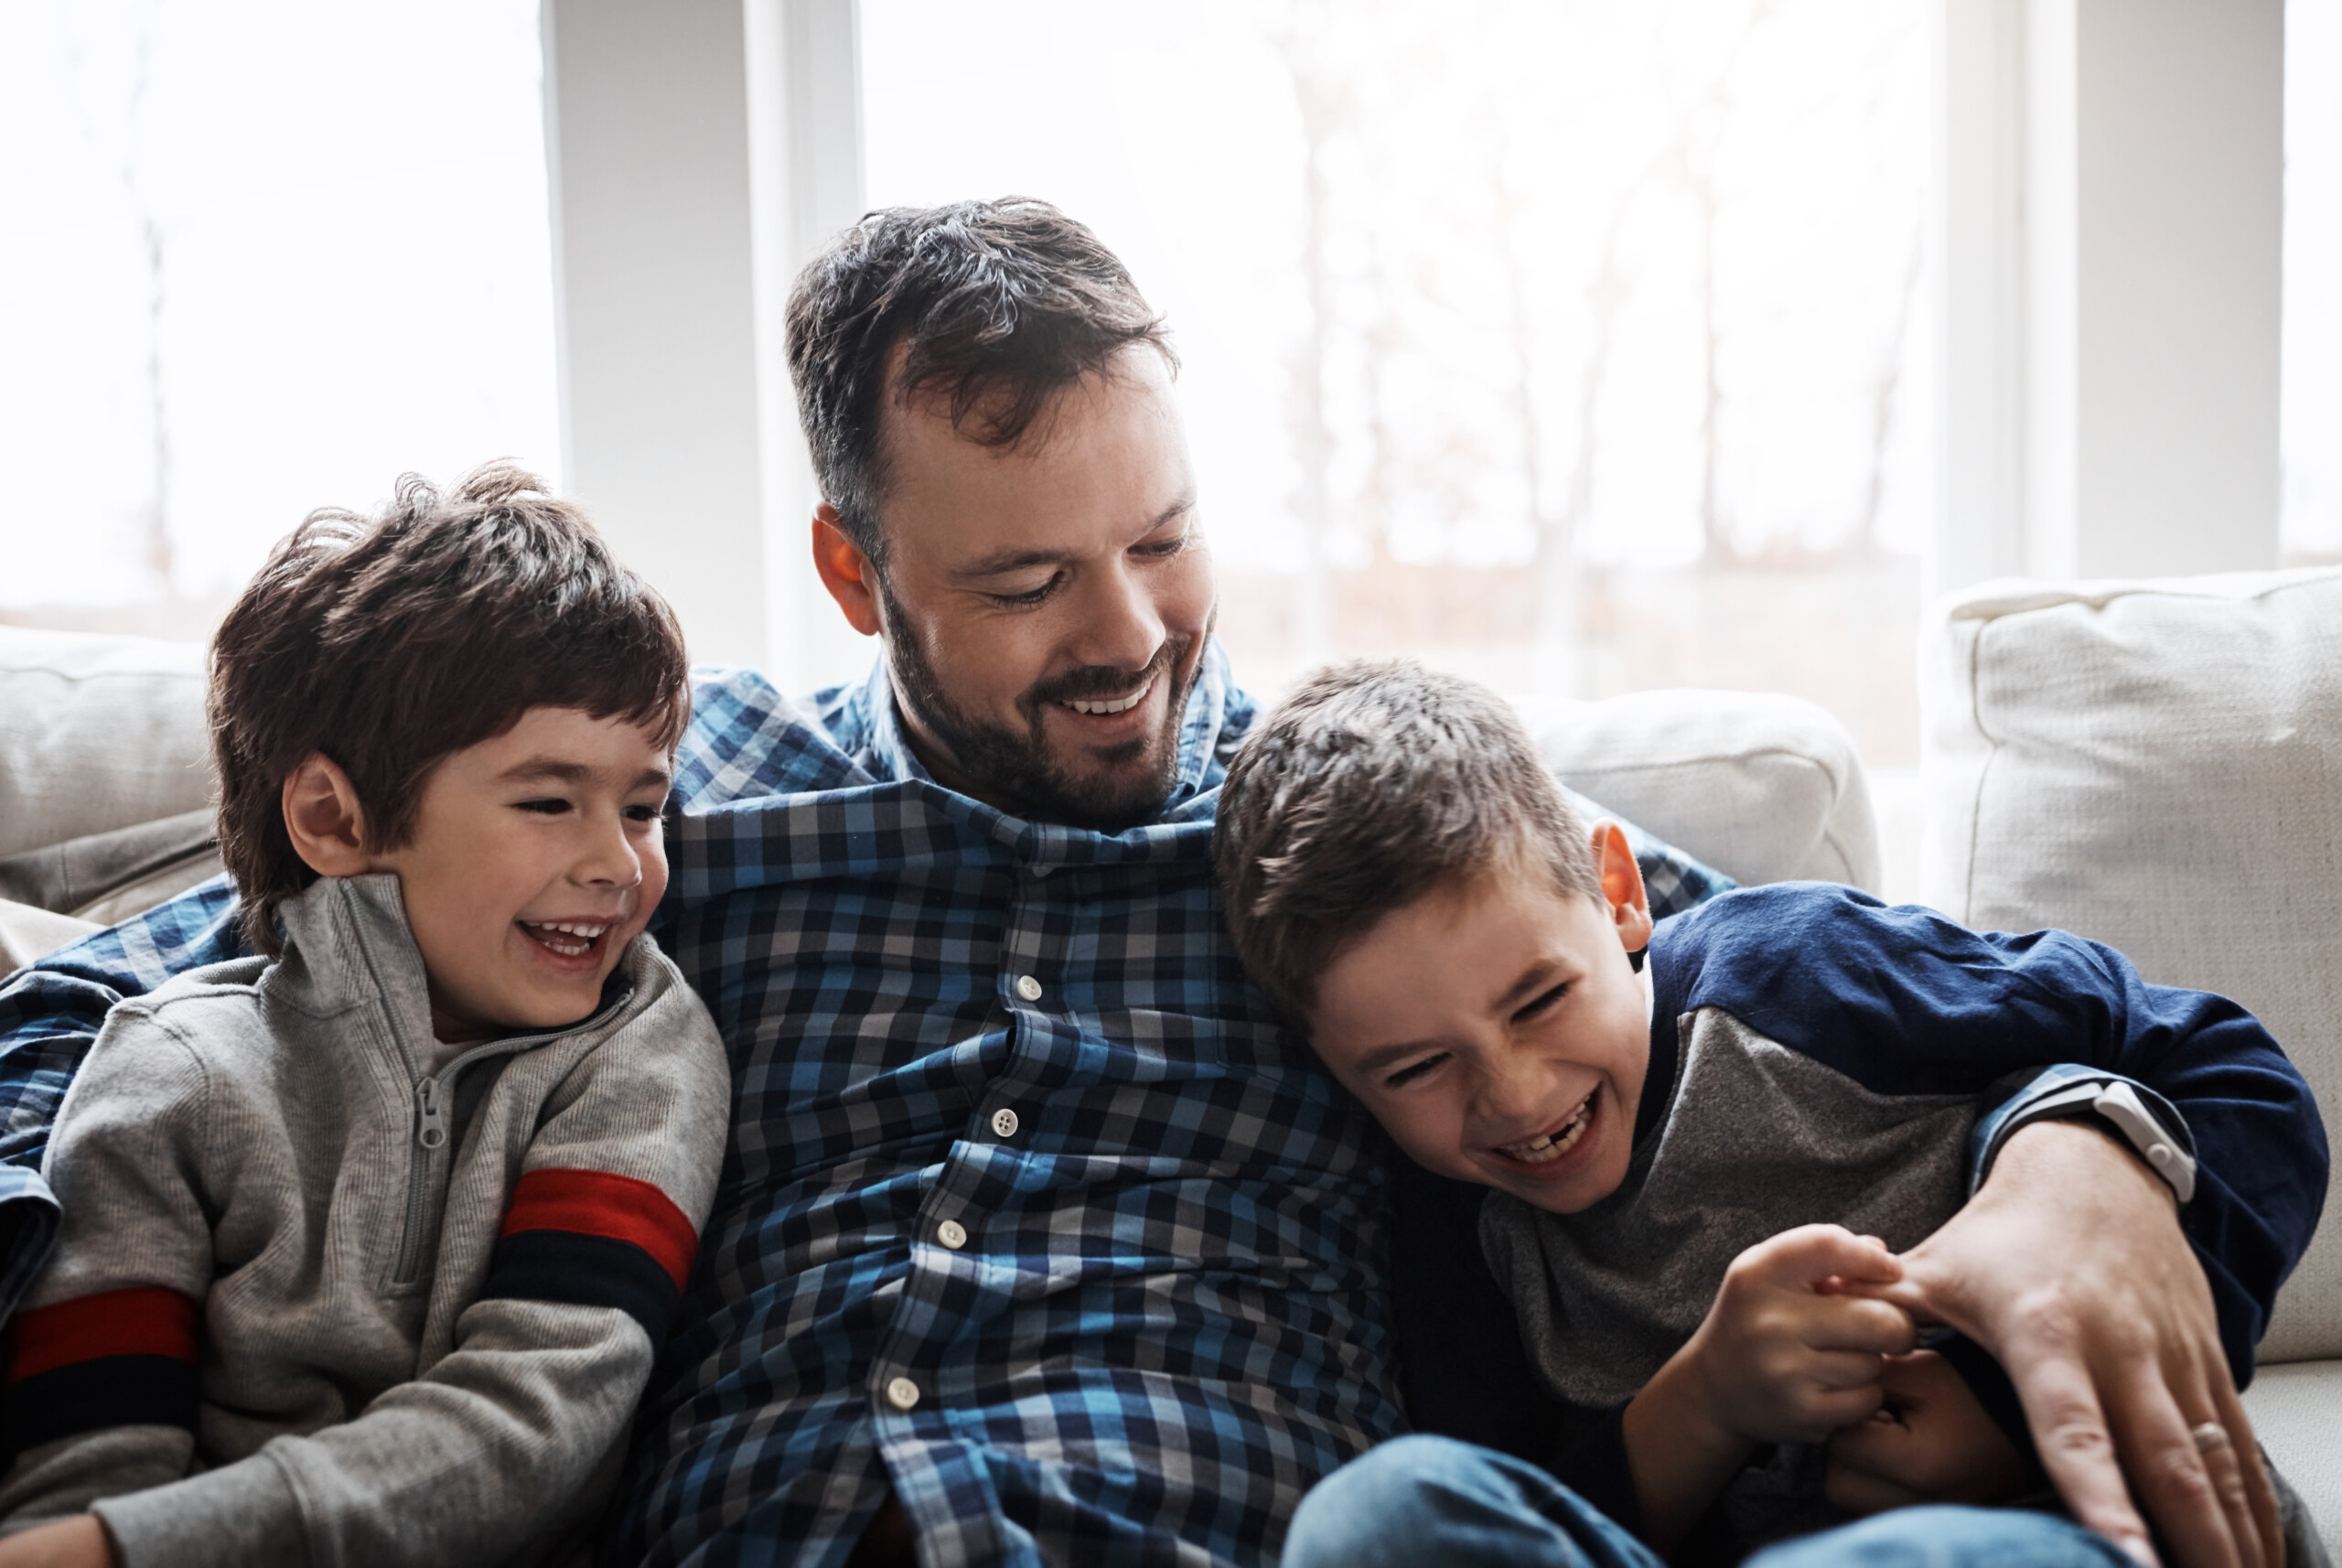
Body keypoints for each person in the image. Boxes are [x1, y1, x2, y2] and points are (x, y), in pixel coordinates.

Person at [0, 199, 2315, 1568]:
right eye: (1020, 579)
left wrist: (2088, 1155)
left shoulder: (1346, 852)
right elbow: (163, 989)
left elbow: (1670, 978)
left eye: (1165, 538)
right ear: (851, 564)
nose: (1122, 635)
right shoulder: (664, 820)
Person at [1212, 659, 2328, 1568]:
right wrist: (1703, 1402)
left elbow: (2230, 1073)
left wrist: (2000, 1399)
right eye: (1414, 1068)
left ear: (1616, 894)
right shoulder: (1451, 1224)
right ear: (1337, 1068)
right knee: (1380, 1513)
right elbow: (1521, 1503)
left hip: (2069, 1531)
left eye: (1539, 997)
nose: (1513, 1095)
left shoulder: (1797, 973)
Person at [0, 468, 732, 1567]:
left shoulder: (641, 1050)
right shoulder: (168, 1070)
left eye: (642, 806)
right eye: (548, 802)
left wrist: (129, 1547)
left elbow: (537, 1424)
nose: (615, 863)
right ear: (333, 819)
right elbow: (82, 1469)